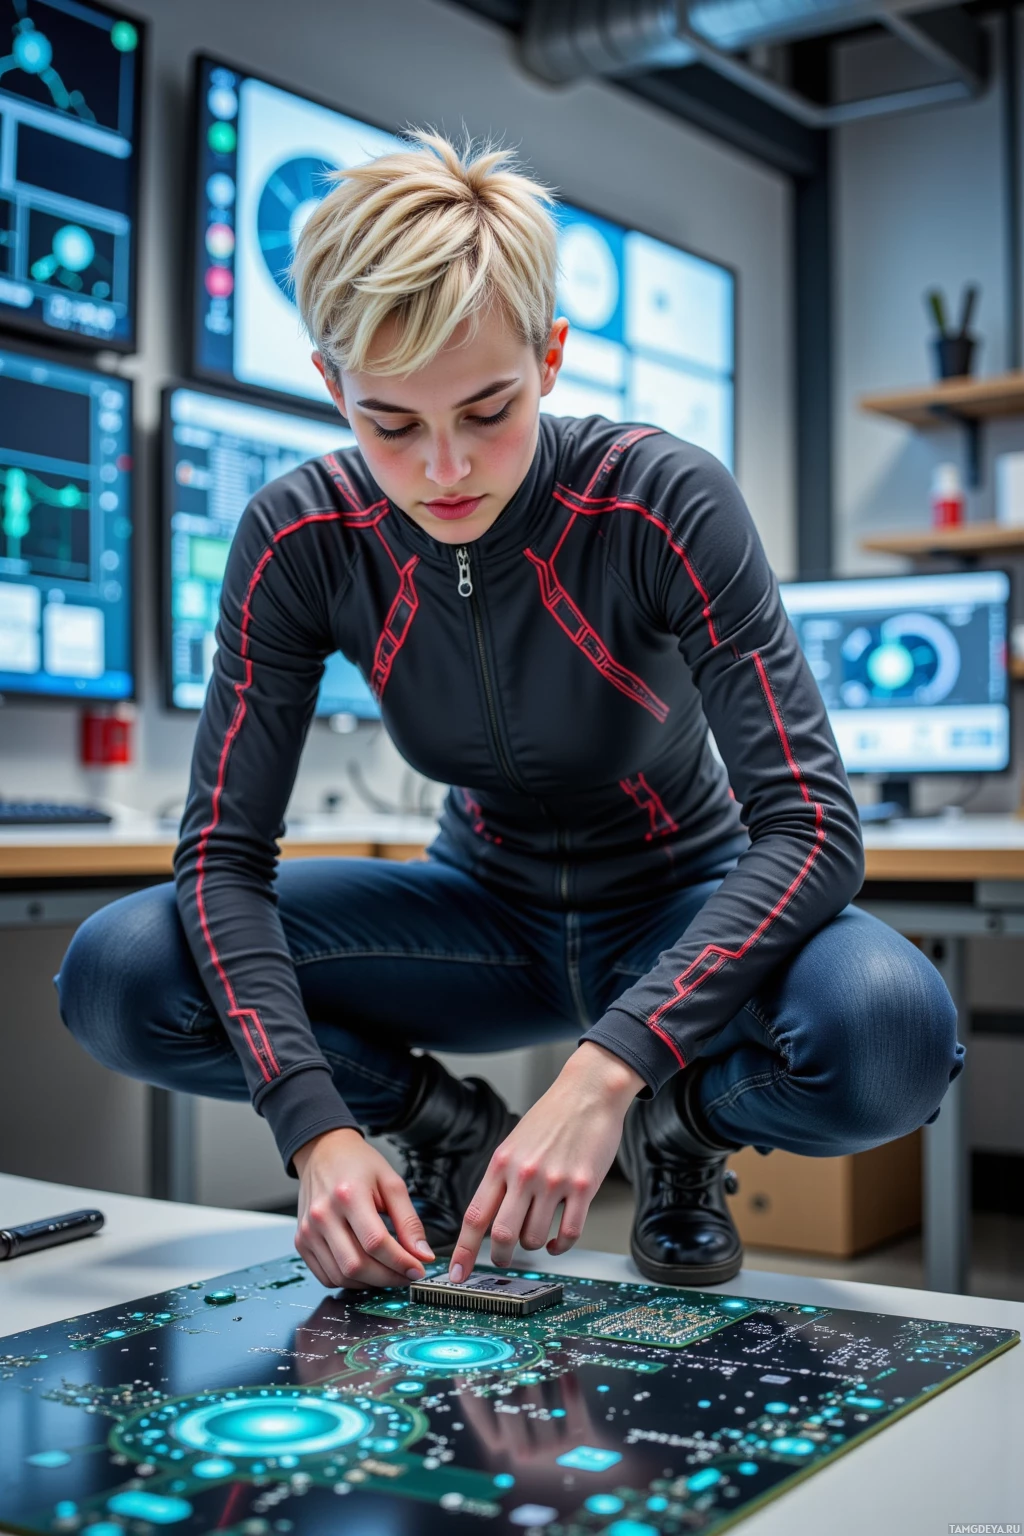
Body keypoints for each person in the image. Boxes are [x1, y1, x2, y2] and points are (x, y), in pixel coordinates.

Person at [59, 133, 962, 1294]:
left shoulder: (658, 499)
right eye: (391, 423)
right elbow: (225, 857)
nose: (444, 468)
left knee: (889, 1032)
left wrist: (611, 1075)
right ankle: (441, 1125)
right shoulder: (297, 537)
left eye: (488, 409)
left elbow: (811, 829)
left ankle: (681, 1139)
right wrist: (314, 1125)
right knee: (118, 972)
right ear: (333, 387)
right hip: (476, 918)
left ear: (550, 357)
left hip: (679, 903)